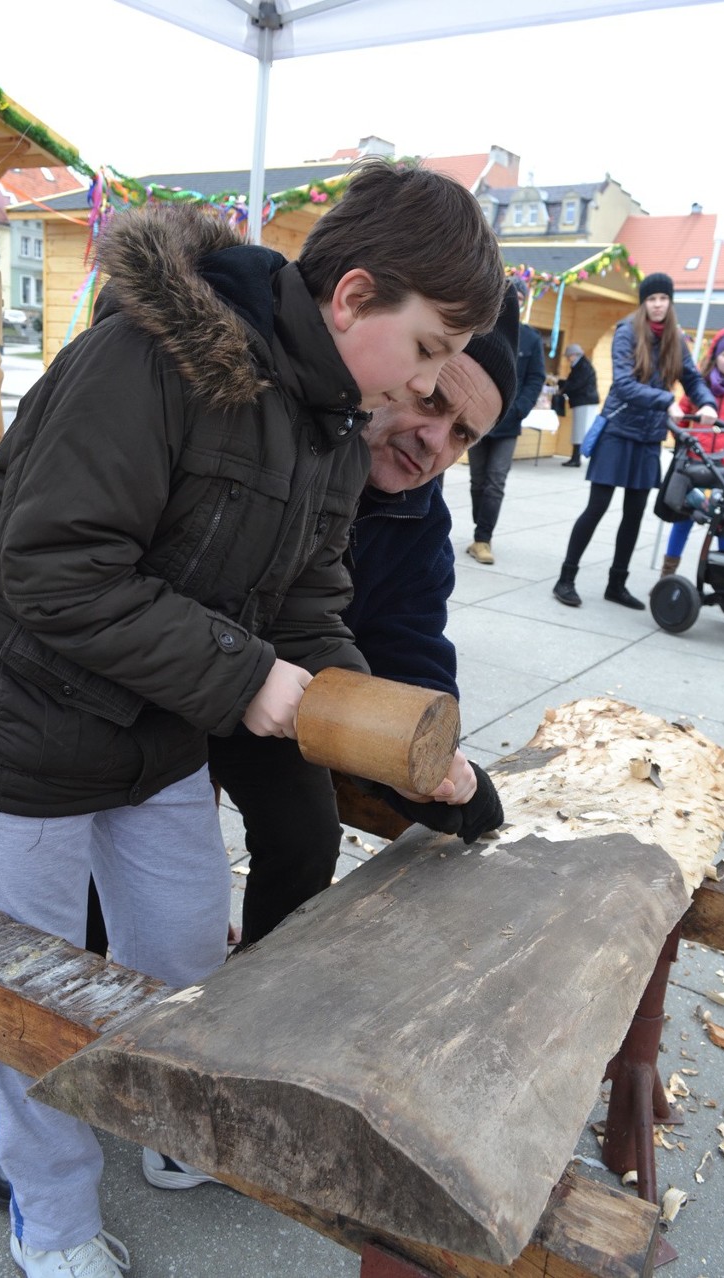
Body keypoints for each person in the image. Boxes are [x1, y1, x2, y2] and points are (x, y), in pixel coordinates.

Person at [0, 160, 505, 1278]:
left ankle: (159, 1125)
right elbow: (55, 566)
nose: (427, 389)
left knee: (183, 949)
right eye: (427, 349)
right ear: (352, 298)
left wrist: (375, 716)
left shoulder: (331, 422)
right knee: (34, 998)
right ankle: (53, 1214)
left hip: (154, 721)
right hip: (20, 728)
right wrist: (247, 680)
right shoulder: (151, 358)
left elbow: (308, 599)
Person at [211, 285, 521, 955]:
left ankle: (255, 993)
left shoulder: (421, 523)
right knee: (143, 827)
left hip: (284, 694)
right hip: (176, 661)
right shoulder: (285, 430)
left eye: (464, 434)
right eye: (433, 400)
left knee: (305, 835)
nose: (435, 439)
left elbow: (408, 651)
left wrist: (435, 763)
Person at [552, 272, 717, 610]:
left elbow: (692, 377)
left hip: (648, 437)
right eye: (652, 299)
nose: (657, 305)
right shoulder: (627, 332)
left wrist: (707, 402)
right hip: (618, 431)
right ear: (644, 302)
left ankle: (617, 584)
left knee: (634, 513)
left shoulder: (675, 339)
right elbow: (624, 384)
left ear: (670, 303)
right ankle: (565, 579)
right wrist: (664, 400)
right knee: (596, 507)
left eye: (663, 299)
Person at [660, 327, 724, 575]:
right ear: (716, 355)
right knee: (681, 522)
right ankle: (667, 574)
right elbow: (681, 418)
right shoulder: (700, 386)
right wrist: (684, 439)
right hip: (695, 465)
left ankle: (723, 577)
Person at [466, 277, 546, 565]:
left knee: (495, 482)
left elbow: (536, 377)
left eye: (520, 300)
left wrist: (520, 408)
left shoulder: (532, 339)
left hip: (509, 424)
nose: (514, 304)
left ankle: (483, 538)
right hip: (478, 422)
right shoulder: (480, 330)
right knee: (478, 482)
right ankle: (480, 530)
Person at [557, 343, 600, 468]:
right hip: (584, 401)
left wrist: (563, 389)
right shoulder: (581, 365)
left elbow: (577, 383)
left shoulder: (582, 366)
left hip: (584, 402)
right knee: (581, 430)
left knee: (581, 431)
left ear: (573, 355)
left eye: (568, 356)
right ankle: (576, 457)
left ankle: (576, 458)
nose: (567, 359)